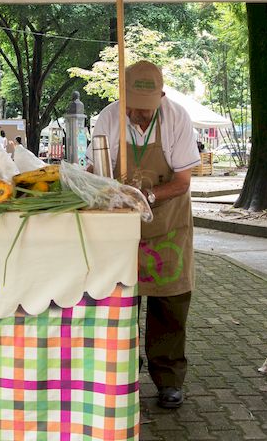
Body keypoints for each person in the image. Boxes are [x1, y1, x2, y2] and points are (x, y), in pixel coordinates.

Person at [87, 60, 200, 409]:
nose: (140, 116)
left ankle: (169, 380)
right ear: (123, 98)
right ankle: (124, 374)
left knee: (170, 304)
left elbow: (182, 181)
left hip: (168, 224)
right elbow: (95, 169)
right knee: (121, 302)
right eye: (134, 108)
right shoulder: (108, 118)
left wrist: (146, 196)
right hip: (121, 228)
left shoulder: (177, 118)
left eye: (147, 110)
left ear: (161, 97)